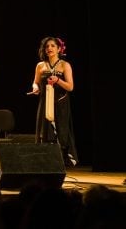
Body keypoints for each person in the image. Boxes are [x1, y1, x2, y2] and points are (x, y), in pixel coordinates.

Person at [30, 36, 78, 166]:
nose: (49, 48)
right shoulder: (40, 65)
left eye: (52, 46)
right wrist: (35, 88)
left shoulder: (64, 65)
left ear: (59, 49)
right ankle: (45, 163)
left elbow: (70, 87)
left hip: (60, 104)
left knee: (61, 132)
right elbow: (35, 82)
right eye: (47, 46)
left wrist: (58, 80)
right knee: (44, 132)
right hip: (45, 103)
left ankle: (60, 163)